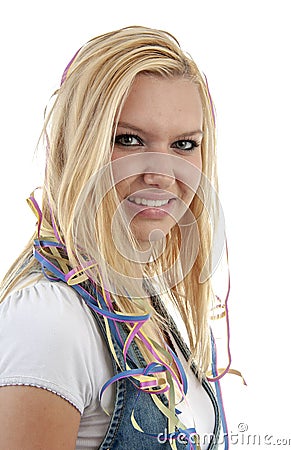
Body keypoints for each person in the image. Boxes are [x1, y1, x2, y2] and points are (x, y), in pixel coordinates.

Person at [0, 26, 229, 449]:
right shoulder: (50, 320)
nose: (161, 174)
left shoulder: (167, 312)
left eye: (183, 144)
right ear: (77, 145)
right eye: (128, 139)